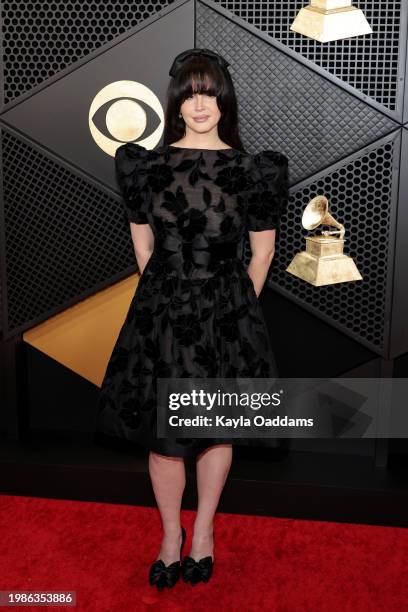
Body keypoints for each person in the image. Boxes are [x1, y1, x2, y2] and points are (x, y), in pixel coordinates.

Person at [95, 48, 289, 589]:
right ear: (176, 100)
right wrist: (169, 299)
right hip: (162, 312)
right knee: (164, 435)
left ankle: (203, 531)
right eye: (189, 92)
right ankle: (169, 536)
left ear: (223, 101)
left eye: (210, 92)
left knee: (215, 430)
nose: (199, 103)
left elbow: (263, 253)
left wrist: (233, 312)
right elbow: (143, 247)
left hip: (226, 315)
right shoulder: (146, 167)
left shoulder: (254, 169)